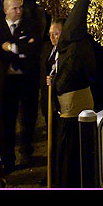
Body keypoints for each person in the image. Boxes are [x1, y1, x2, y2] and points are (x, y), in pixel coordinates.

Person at [52, 0, 98, 187]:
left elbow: (64, 81)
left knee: (69, 156)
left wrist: (54, 84)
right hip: (82, 104)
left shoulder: (72, 50)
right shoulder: (82, 44)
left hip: (71, 113)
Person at [0, 0, 42, 174]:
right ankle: (8, 159)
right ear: (6, 10)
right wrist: (22, 48)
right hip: (7, 83)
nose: (19, 11)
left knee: (28, 119)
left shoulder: (31, 24)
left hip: (27, 80)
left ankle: (27, 151)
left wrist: (11, 47)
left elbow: (34, 48)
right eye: (15, 8)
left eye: (21, 7)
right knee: (7, 121)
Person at [40, 19, 63, 186]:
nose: (53, 38)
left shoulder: (68, 52)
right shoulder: (47, 48)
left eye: (56, 34)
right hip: (47, 101)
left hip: (61, 104)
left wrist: (55, 80)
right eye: (50, 35)